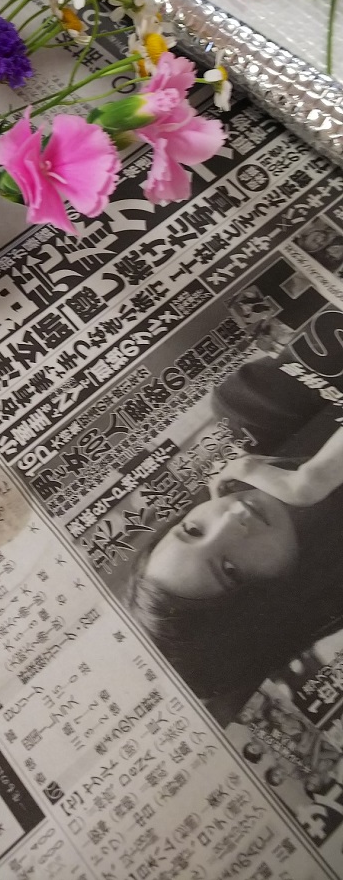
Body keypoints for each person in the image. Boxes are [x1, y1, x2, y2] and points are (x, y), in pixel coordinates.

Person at [126, 304, 343, 725]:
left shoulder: (253, 412)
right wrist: (316, 476)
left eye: (193, 529)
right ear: (273, 609)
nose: (229, 520)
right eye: (230, 569)